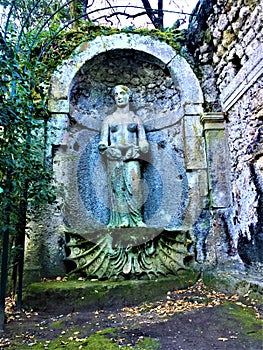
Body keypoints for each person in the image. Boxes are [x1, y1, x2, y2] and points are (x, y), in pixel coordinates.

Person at [98, 85, 149, 228]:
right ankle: (122, 219)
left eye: (122, 93)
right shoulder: (109, 119)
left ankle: (137, 219)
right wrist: (104, 147)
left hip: (132, 155)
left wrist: (143, 147)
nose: (119, 97)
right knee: (117, 188)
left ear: (128, 96)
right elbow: (103, 140)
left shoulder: (135, 118)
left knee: (135, 186)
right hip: (114, 156)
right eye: (116, 95)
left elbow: (143, 140)